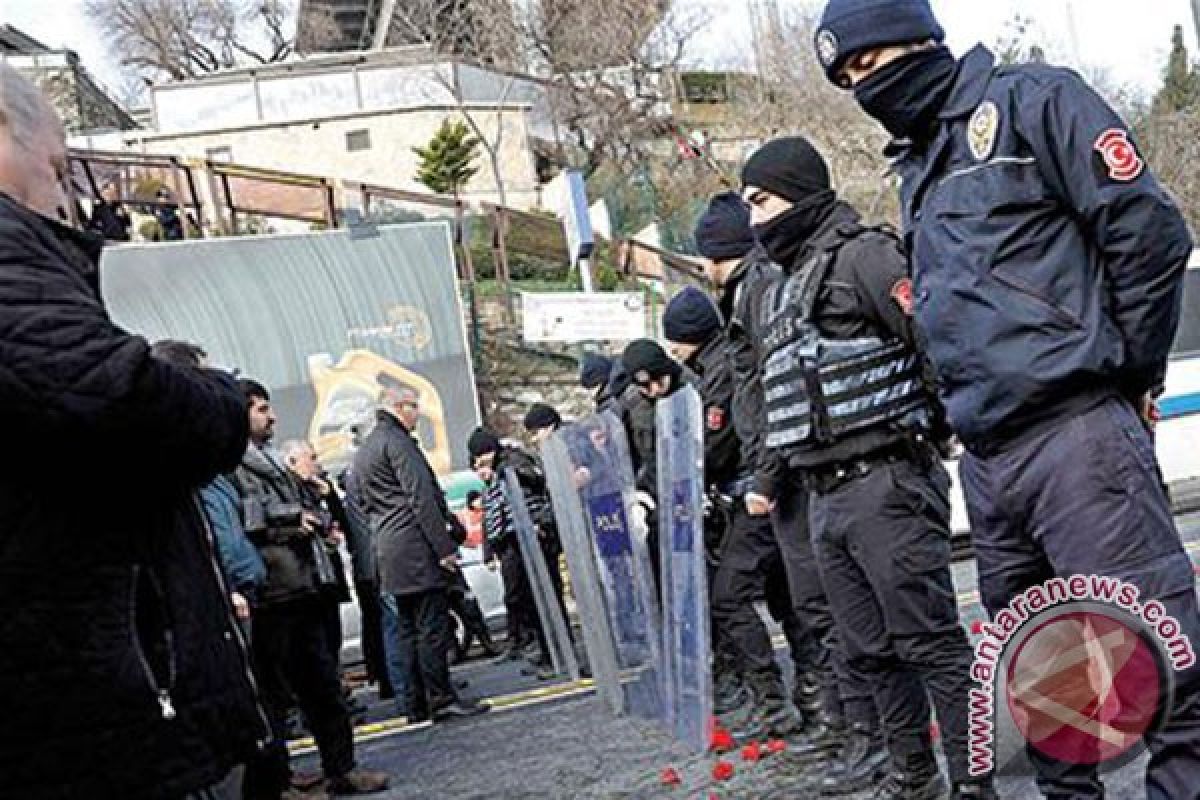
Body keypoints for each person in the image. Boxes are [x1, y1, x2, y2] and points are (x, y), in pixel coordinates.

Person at [818, 2, 1200, 797]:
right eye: (849, 79)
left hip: (1076, 435)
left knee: (1160, 666)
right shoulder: (918, 169)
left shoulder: (1034, 102)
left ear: (922, 41)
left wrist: (1128, 377)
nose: (866, 85)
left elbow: (1150, 236)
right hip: (989, 464)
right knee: (1049, 694)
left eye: (871, 60)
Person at [0, 63, 265, 799]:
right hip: (77, 712)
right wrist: (221, 398)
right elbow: (124, 400)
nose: (67, 200)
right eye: (57, 168)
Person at [741, 135, 982, 799]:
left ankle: (973, 782)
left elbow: (938, 345)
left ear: (798, 192)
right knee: (870, 651)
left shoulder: (866, 258)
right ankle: (913, 777)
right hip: (825, 495)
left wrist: (937, 436)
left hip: (887, 481)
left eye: (760, 200)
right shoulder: (787, 285)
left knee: (931, 643)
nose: (753, 217)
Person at [661, 287, 814, 742]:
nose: (672, 348)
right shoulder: (708, 369)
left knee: (730, 597)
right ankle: (808, 698)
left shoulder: (721, 368)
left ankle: (776, 702)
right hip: (748, 497)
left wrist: (687, 468)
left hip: (755, 494)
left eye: (675, 338)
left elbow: (719, 440)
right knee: (785, 597)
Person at [233, 380, 389, 799]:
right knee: (275, 699)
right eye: (262, 409)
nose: (271, 416)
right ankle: (281, 783)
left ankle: (342, 769)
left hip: (302, 586)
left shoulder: (270, 459)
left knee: (323, 685)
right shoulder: (231, 464)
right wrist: (290, 517)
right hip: (270, 593)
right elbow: (243, 520)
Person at [353, 386, 487, 721]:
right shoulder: (398, 443)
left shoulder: (368, 448)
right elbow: (421, 498)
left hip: (389, 549)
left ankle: (416, 704)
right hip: (414, 548)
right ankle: (440, 698)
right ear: (400, 407)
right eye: (414, 407)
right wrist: (444, 548)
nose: (418, 414)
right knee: (431, 626)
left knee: (409, 629)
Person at [151, 339, 267, 641]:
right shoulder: (174, 475)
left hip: (231, 588)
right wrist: (228, 589)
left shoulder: (208, 473)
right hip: (212, 601)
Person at [469, 427, 561, 675]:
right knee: (533, 601)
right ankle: (547, 652)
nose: (478, 464)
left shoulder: (514, 462)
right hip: (522, 540)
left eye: (479, 457)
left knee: (546, 597)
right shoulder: (503, 468)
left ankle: (557, 655)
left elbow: (537, 484)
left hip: (536, 538)